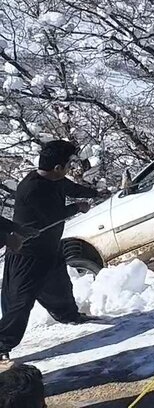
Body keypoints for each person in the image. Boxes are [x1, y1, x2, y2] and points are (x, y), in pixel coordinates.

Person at [0, 140, 102, 361]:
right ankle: (2, 344)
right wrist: (78, 207)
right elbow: (52, 216)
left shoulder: (54, 179)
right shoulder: (32, 188)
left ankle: (68, 315)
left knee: (59, 286)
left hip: (49, 249)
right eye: (67, 165)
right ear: (57, 168)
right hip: (27, 254)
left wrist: (94, 193)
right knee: (20, 302)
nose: (68, 170)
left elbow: (70, 188)